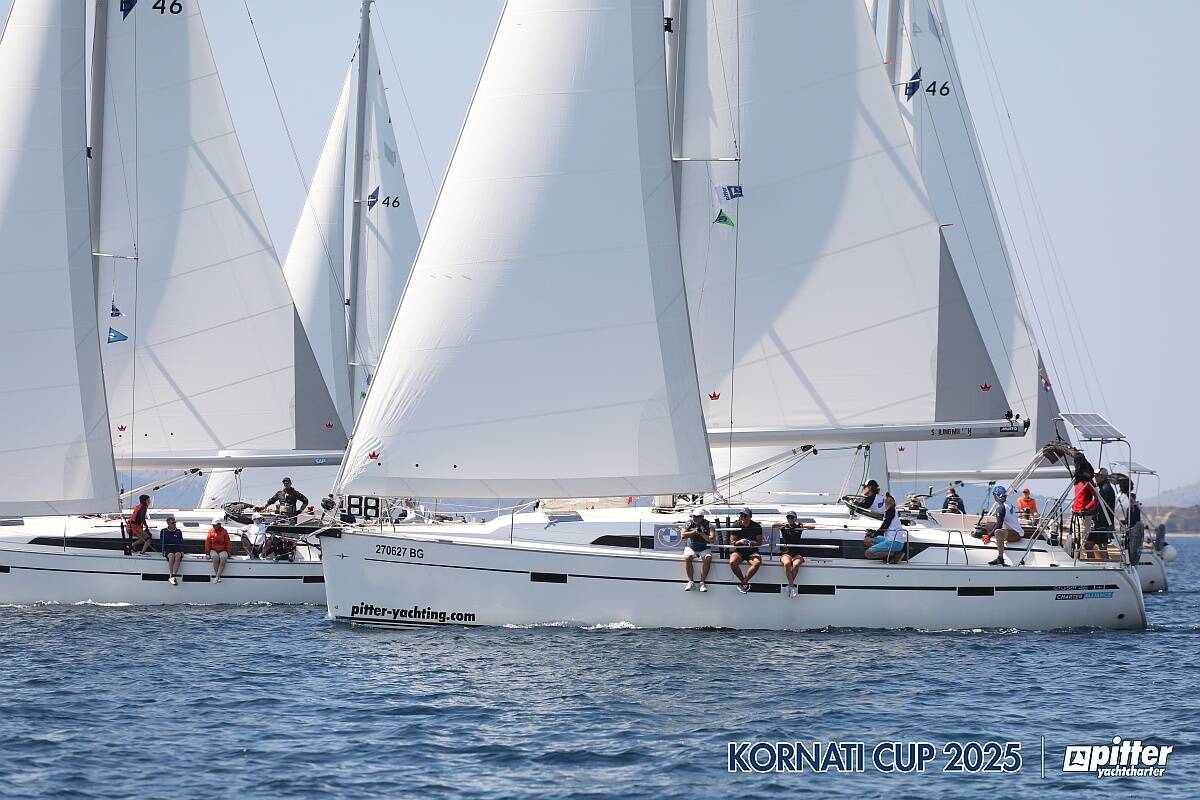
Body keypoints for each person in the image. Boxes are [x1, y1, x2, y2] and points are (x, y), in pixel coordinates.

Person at [773, 512, 816, 597]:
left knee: (796, 564)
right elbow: (774, 525)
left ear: (795, 518)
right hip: (786, 552)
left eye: (792, 518)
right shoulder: (784, 527)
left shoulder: (798, 526)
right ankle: (792, 586)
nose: (790, 519)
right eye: (788, 517)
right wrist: (783, 524)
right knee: (787, 563)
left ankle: (790, 586)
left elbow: (813, 527)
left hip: (797, 553)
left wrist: (802, 526)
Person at [984, 486, 1023, 567]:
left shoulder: (1001, 508)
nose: (993, 497)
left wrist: (989, 536)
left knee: (997, 532)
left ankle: (1000, 558)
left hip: (1016, 534)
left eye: (994, 495)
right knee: (989, 524)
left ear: (996, 496)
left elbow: (999, 525)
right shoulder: (1008, 504)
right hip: (1014, 531)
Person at [864, 493, 906, 561]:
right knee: (867, 540)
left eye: (889, 497)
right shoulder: (889, 511)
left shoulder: (891, 510)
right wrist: (873, 533)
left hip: (894, 542)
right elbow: (886, 526)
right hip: (889, 539)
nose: (886, 497)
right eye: (887, 496)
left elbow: (885, 525)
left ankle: (894, 554)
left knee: (868, 554)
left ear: (893, 502)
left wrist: (875, 534)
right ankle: (889, 555)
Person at [729, 509, 763, 593]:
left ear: (750, 517)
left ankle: (744, 582)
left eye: (745, 516)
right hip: (739, 551)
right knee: (732, 562)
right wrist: (740, 542)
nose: (742, 517)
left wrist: (753, 543)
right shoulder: (735, 525)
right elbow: (733, 542)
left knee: (757, 563)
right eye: (741, 515)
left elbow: (760, 542)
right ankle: (744, 582)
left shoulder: (756, 526)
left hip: (752, 551)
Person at [681, 511, 715, 592]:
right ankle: (691, 581)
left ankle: (702, 583)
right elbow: (682, 535)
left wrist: (701, 533)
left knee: (708, 558)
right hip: (691, 547)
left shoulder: (709, 525)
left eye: (697, 516)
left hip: (704, 547)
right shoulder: (689, 522)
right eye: (694, 516)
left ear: (702, 517)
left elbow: (712, 539)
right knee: (687, 557)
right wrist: (695, 532)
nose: (695, 518)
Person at [1089, 469, 1117, 560]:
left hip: (1103, 523)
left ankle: (1106, 565)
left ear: (1103, 476)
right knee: (1088, 545)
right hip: (1099, 523)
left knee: (1102, 548)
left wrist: (1087, 513)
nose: (1095, 477)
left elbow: (1099, 507)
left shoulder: (1105, 489)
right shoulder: (1102, 487)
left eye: (1097, 475)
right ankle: (1091, 564)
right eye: (1095, 475)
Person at [1071, 475, 1098, 559]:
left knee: (1083, 538)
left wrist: (1086, 508)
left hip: (1084, 515)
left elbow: (1096, 497)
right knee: (1075, 538)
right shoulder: (1076, 483)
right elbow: (1078, 497)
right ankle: (1077, 557)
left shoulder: (1088, 483)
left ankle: (1084, 559)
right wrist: (1074, 506)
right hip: (1075, 513)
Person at [205, 516, 232, 582]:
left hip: (223, 549)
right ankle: (217, 577)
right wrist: (207, 553)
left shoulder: (224, 532)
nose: (213, 526)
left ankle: (217, 577)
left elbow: (228, 542)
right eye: (213, 525)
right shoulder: (210, 531)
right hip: (213, 549)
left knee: (223, 558)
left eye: (215, 525)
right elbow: (207, 543)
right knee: (215, 557)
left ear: (219, 525)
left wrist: (229, 553)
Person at [160, 514, 185, 586]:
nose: (174, 524)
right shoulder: (164, 531)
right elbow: (162, 541)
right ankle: (171, 575)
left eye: (175, 522)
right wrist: (163, 550)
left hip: (176, 547)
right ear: (168, 524)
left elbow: (181, 541)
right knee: (171, 556)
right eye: (173, 523)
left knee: (178, 555)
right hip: (168, 547)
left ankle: (174, 575)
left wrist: (182, 550)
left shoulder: (178, 531)